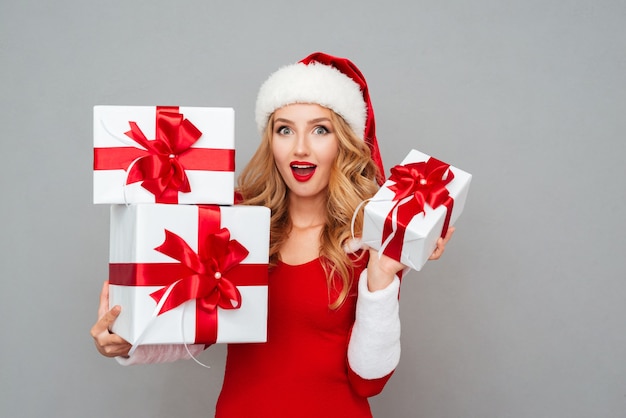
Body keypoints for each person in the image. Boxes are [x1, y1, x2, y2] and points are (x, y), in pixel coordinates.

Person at [91, 52, 454, 417]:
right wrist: (128, 344)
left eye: (320, 129)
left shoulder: (368, 243)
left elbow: (368, 381)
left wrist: (381, 279)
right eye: (285, 129)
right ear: (272, 141)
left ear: (343, 141)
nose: (300, 147)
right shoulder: (235, 226)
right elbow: (198, 332)